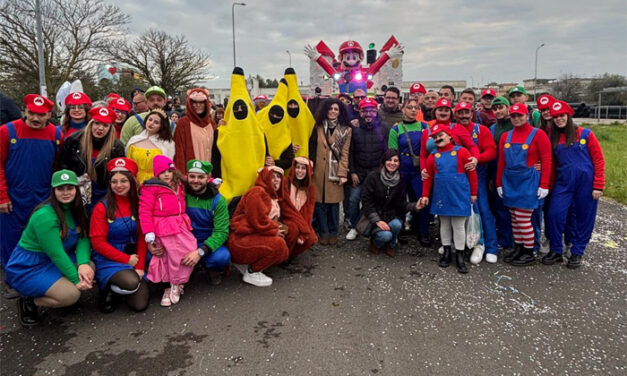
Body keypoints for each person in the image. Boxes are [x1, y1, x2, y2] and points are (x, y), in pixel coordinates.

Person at [6, 170, 93, 327]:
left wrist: (84, 263)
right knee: (71, 295)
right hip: (31, 266)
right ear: (53, 190)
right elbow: (56, 253)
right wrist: (75, 279)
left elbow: (83, 238)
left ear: (76, 189)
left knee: (89, 268)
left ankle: (58, 290)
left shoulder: (78, 210)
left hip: (52, 262)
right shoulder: (45, 215)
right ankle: (29, 300)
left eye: (70, 188)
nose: (66, 193)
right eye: (60, 189)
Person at [1, 94, 61, 282]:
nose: (35, 118)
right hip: (14, 197)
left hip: (44, 196)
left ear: (49, 114)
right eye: (31, 113)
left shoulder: (57, 134)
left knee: (44, 236)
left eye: (41, 115)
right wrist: (2, 196)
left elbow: (58, 168)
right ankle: (13, 278)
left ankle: (40, 275)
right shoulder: (6, 131)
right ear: (24, 111)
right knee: (11, 238)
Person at [543, 101, 605, 269]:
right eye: (555, 117)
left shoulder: (585, 134)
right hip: (563, 184)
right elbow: (552, 163)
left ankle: (577, 251)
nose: (559, 120)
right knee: (554, 214)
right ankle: (556, 250)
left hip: (586, 184)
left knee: (584, 217)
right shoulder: (553, 139)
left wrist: (598, 185)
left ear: (568, 116)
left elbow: (598, 159)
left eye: (562, 116)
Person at [90, 158, 149, 313]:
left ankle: (122, 288)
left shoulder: (139, 203)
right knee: (131, 282)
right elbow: (98, 242)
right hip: (109, 258)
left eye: (123, 181)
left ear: (131, 181)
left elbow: (142, 236)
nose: (119, 185)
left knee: (139, 305)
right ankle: (108, 289)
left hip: (134, 255)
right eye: (114, 181)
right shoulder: (102, 208)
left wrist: (140, 265)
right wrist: (126, 260)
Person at [496, 103, 552, 266]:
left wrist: (544, 184)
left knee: (523, 218)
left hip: (528, 181)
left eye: (520, 115)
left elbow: (547, 161)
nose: (517, 119)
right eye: (513, 116)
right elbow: (501, 162)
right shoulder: (506, 136)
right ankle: (519, 248)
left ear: (527, 116)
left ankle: (529, 251)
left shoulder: (538, 135)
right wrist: (499, 183)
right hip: (510, 180)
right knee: (514, 217)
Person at [419, 124, 478, 273]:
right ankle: (446, 252)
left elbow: (471, 173)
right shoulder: (433, 156)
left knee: (458, 225)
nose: (438, 138)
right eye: (435, 137)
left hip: (459, 194)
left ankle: (459, 254)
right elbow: (428, 177)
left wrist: (473, 193)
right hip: (442, 195)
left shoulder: (462, 152)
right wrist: (425, 195)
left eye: (441, 135)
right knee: (444, 224)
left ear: (450, 136)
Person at [139, 155, 196, 306]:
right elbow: (144, 211)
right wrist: (149, 232)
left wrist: (211, 182)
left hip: (180, 223)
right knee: (168, 256)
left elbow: (193, 180)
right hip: (164, 225)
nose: (166, 174)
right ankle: (171, 286)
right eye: (162, 171)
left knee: (186, 251)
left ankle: (176, 284)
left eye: (169, 171)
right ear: (156, 174)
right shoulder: (151, 188)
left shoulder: (179, 183)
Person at [227, 166, 290, 287]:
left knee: (283, 243)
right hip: (240, 239)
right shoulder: (257, 192)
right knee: (279, 246)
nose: (276, 180)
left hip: (247, 236)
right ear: (265, 177)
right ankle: (252, 271)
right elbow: (258, 220)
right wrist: (275, 229)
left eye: (278, 177)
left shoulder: (270, 195)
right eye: (272, 176)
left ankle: (246, 264)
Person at [453, 101, 498, 264]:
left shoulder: (481, 130)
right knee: (457, 211)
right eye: (460, 113)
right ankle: (458, 243)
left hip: (477, 173)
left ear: (472, 113)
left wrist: (477, 159)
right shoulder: (452, 129)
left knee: (483, 209)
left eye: (467, 112)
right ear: (455, 114)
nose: (464, 116)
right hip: (457, 176)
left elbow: (492, 151)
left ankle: (488, 245)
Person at [59, 107, 125, 213]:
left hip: (103, 195)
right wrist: (74, 179)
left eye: (105, 125)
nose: (100, 128)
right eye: (97, 123)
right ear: (91, 123)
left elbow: (120, 173)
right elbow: (63, 166)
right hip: (78, 193)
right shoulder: (74, 140)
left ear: (110, 127)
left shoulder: (116, 146)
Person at [387, 98, 432, 246]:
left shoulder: (425, 127)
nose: (413, 110)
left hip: (420, 170)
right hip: (402, 169)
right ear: (403, 109)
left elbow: (431, 148)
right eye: (410, 107)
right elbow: (392, 151)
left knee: (422, 199)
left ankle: (423, 231)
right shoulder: (396, 129)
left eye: (416, 107)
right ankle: (400, 231)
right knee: (400, 201)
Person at [309, 98, 352, 245]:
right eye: (330, 108)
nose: (333, 111)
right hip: (319, 172)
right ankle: (323, 232)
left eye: (336, 109)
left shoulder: (346, 130)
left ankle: (333, 232)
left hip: (335, 171)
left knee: (334, 205)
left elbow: (345, 153)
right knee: (320, 204)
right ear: (325, 110)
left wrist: (342, 174)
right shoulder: (317, 127)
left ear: (340, 112)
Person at [361, 149, 420, 257]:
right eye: (389, 160)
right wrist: (377, 221)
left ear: (399, 164)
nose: (392, 163)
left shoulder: (400, 180)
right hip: (373, 216)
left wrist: (415, 206)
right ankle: (375, 243)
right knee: (385, 235)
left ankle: (391, 245)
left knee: (397, 225)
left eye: (396, 161)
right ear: (384, 161)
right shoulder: (373, 177)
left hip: (390, 215)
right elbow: (366, 201)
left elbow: (401, 203)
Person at [182, 159, 230, 285]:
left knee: (222, 257)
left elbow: (222, 232)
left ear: (208, 178)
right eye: (192, 176)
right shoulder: (181, 194)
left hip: (206, 242)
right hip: (183, 241)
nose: (196, 180)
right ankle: (191, 267)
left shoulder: (218, 201)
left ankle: (212, 269)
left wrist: (200, 251)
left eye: (200, 177)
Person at [346, 98, 388, 241]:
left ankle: (370, 225)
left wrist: (381, 171)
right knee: (353, 200)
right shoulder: (354, 128)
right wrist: (352, 172)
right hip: (359, 172)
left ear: (376, 111)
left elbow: (386, 152)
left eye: (371, 110)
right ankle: (353, 226)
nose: (368, 114)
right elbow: (350, 152)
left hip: (376, 173)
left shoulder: (384, 128)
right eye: (364, 110)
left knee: (373, 201)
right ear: (360, 111)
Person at [419, 98, 479, 170]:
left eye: (446, 110)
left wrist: (475, 158)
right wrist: (423, 169)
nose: (443, 113)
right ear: (434, 112)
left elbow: (472, 146)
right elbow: (423, 155)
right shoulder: (427, 132)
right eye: (440, 110)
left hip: (457, 171)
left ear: (451, 113)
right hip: (434, 173)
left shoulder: (458, 128)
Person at [488, 96, 515, 252]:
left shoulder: (516, 124)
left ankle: (525, 243)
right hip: (498, 170)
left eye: (501, 107)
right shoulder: (492, 129)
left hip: (517, 172)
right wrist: (492, 177)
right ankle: (505, 240)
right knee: (500, 208)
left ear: (508, 108)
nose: (498, 111)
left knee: (520, 210)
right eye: (495, 108)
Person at [281, 157, 318, 260]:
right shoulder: (285, 183)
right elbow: (285, 208)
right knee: (293, 229)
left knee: (312, 238)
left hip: (300, 220)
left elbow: (309, 212)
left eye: (303, 168)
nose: (300, 171)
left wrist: (305, 230)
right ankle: (283, 256)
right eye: (297, 167)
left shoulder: (310, 190)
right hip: (285, 217)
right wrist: (303, 228)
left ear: (308, 171)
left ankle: (291, 254)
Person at [173, 88, 216, 174]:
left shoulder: (212, 123)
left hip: (209, 175)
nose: (198, 105)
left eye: (201, 102)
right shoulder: (183, 123)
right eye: (194, 102)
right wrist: (182, 176)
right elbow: (179, 152)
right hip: (191, 175)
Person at [126, 109, 175, 184]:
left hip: (156, 182)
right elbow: (128, 163)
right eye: (150, 120)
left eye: (156, 122)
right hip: (135, 181)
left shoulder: (167, 144)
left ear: (161, 126)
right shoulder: (134, 140)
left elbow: (168, 168)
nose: (151, 123)